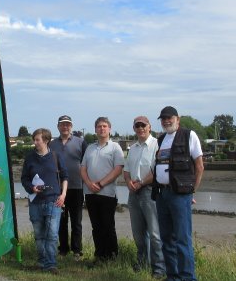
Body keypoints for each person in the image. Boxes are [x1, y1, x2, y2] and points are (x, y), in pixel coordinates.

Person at [152, 106, 204, 281]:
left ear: (177, 118)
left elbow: (199, 166)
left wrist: (192, 191)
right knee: (167, 239)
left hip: (180, 195)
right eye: (163, 118)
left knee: (183, 239)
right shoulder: (160, 140)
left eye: (169, 118)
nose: (166, 121)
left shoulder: (189, 135)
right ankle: (172, 276)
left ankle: (188, 277)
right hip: (162, 195)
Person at [21, 128, 68, 274]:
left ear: (46, 140)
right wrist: (31, 187)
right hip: (35, 202)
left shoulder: (56, 156)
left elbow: (65, 176)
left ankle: (51, 264)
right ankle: (42, 262)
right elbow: (24, 178)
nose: (35, 142)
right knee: (39, 235)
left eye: (37, 140)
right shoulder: (29, 158)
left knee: (52, 234)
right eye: (34, 139)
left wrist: (63, 195)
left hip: (53, 200)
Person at [123, 116, 165, 278]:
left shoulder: (157, 145)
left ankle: (159, 268)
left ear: (149, 127)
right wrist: (128, 183)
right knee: (138, 234)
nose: (140, 128)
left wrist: (141, 183)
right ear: (134, 128)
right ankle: (142, 263)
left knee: (155, 233)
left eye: (143, 125)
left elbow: (158, 171)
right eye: (137, 126)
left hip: (150, 192)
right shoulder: (132, 148)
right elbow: (126, 171)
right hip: (133, 193)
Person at [80, 116, 125, 262]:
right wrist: (88, 183)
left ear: (109, 129)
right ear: (95, 130)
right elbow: (83, 168)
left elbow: (118, 169)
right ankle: (99, 255)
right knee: (96, 226)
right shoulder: (90, 148)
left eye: (104, 126)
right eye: (99, 126)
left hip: (107, 194)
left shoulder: (115, 147)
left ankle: (112, 256)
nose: (102, 128)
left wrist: (100, 184)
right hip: (90, 193)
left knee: (108, 226)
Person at [48, 115, 87, 259]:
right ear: (58, 126)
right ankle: (63, 249)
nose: (65, 127)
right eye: (62, 124)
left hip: (77, 187)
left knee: (76, 221)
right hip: (58, 188)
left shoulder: (81, 142)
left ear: (71, 126)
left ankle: (77, 251)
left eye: (68, 124)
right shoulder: (52, 144)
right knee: (61, 221)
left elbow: (85, 163)